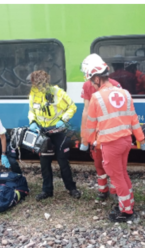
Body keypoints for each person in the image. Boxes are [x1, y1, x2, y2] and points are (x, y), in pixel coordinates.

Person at [83, 54, 145, 222]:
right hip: (126, 141)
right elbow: (133, 118)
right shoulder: (125, 93)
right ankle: (128, 203)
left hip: (110, 144)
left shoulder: (96, 98)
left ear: (96, 78)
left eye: (91, 80)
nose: (91, 84)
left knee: (116, 177)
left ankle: (126, 212)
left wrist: (88, 141)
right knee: (122, 173)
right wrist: (141, 139)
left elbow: (91, 124)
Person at [28, 70, 81, 201]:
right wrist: (33, 122)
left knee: (63, 161)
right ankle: (47, 190)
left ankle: (71, 188)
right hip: (43, 133)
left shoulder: (58, 92)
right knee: (44, 163)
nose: (36, 86)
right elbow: (32, 111)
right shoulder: (33, 94)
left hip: (58, 132)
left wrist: (63, 119)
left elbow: (72, 107)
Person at [80, 54, 122, 200]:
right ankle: (103, 190)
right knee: (99, 164)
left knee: (114, 166)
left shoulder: (115, 86)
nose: (90, 82)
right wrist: (84, 137)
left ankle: (116, 192)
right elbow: (86, 112)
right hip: (96, 134)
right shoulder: (87, 86)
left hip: (110, 133)